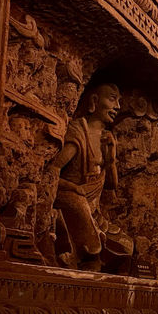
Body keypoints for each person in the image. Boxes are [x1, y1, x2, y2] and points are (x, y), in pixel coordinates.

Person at [49, 82, 134, 271]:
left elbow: (112, 185)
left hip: (94, 211)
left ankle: (93, 250)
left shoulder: (107, 137)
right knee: (84, 220)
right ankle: (85, 257)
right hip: (71, 199)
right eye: (112, 99)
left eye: (119, 101)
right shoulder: (80, 132)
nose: (117, 107)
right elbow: (54, 169)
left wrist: (111, 157)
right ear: (95, 100)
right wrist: (72, 188)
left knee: (126, 246)